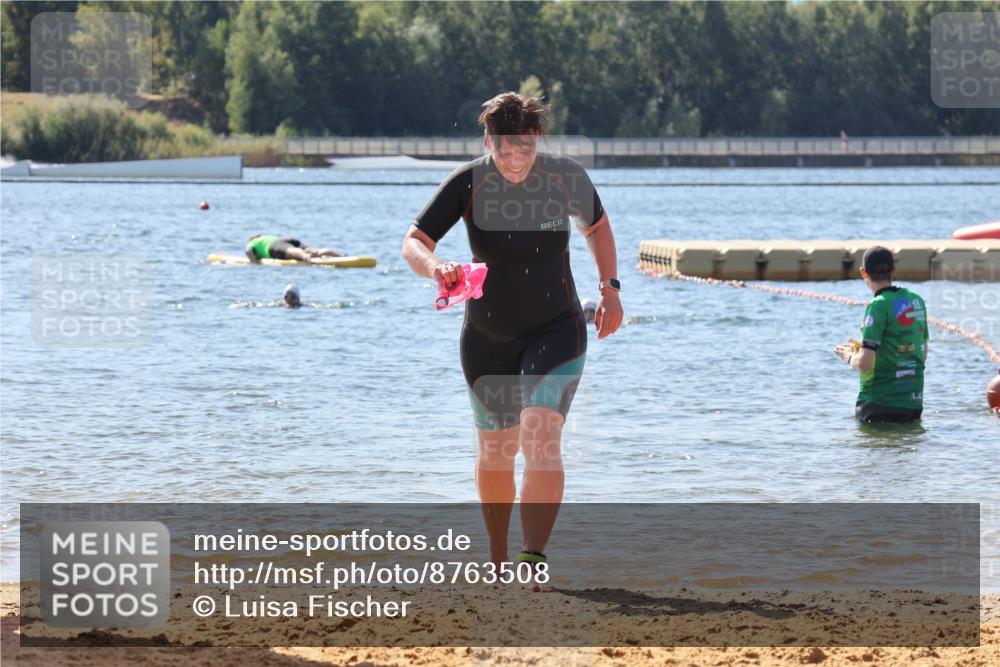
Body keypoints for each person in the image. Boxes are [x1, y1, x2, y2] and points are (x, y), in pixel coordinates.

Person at [402, 92, 623, 574]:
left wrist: (610, 289)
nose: (515, 159)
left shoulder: (565, 178)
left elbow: (598, 228)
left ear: (536, 140)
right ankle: (499, 558)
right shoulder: (468, 183)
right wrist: (436, 267)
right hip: (486, 339)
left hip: (557, 328)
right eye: (505, 150)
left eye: (523, 148)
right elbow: (414, 242)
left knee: (541, 433)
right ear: (488, 141)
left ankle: (532, 558)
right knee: (497, 450)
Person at [834, 246, 928, 424]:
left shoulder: (877, 305)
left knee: (873, 449)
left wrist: (849, 356)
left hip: (879, 404)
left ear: (863, 273)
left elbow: (865, 364)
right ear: (893, 271)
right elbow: (921, 355)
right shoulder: (916, 301)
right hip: (913, 403)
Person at [245, 235, 340, 262]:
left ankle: (305, 257)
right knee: (314, 251)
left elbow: (248, 251)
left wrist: (254, 263)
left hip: (274, 246)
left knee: (290, 251)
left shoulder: (253, 242)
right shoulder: (266, 237)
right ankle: (340, 256)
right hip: (286, 238)